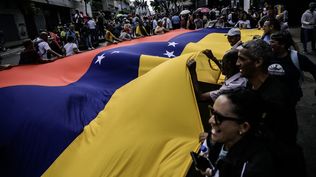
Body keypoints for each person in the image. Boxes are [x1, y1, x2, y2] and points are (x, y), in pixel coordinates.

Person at [236, 39, 306, 177]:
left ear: (258, 62)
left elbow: (278, 140)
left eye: (242, 59)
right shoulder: (252, 85)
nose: (237, 63)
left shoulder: (275, 98)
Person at [195, 89, 277, 177]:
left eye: (218, 117)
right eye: (212, 112)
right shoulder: (216, 137)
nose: (210, 121)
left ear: (244, 127)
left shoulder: (255, 167)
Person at [268, 31, 316, 105]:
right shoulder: (267, 56)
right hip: (270, 97)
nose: (269, 44)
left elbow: (314, 70)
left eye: (272, 42)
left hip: (290, 98)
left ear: (282, 44)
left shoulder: (297, 58)